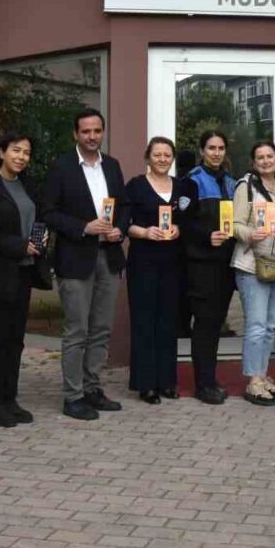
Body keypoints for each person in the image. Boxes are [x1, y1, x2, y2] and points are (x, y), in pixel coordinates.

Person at [41, 107, 129, 421]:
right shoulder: (61, 167)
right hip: (76, 258)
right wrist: (83, 227)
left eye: (97, 131)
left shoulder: (113, 166)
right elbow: (47, 212)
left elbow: (124, 207)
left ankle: (92, 388)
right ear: (75, 134)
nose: (92, 137)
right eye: (86, 131)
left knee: (101, 329)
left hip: (109, 256)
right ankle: (73, 396)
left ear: (102, 132)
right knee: (77, 330)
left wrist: (119, 229)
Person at [0, 132, 44, 428]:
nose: (21, 157)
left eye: (26, 153)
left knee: (16, 339)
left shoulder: (27, 184)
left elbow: (37, 218)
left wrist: (41, 237)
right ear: (2, 152)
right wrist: (20, 245)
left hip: (24, 271)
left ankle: (10, 399)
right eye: (16, 151)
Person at [230, 140, 275, 406]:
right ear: (253, 162)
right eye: (261, 157)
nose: (266, 161)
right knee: (256, 326)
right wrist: (250, 233)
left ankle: (262, 374)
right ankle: (253, 381)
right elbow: (234, 224)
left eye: (270, 156)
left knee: (270, 325)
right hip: (251, 264)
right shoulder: (245, 186)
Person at [177, 130, 239, 405]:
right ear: (202, 151)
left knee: (215, 324)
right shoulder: (191, 181)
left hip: (226, 265)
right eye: (211, 148)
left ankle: (210, 379)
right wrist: (206, 236)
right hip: (201, 265)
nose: (216, 153)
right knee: (204, 325)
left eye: (220, 148)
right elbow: (182, 222)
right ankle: (203, 385)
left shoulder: (231, 182)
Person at [125, 136, 184, 404]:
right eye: (157, 154)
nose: (162, 159)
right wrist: (145, 232)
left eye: (167, 155)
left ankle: (167, 381)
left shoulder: (181, 187)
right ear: (148, 157)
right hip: (143, 261)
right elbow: (124, 223)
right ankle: (146, 383)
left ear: (173, 158)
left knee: (168, 321)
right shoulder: (136, 186)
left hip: (172, 261)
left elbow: (187, 221)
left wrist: (178, 228)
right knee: (144, 320)